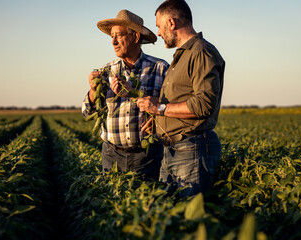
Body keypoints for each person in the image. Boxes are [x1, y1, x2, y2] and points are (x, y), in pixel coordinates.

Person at [137, 0, 225, 197]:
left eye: (159, 27)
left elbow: (203, 105)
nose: (158, 33)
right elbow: (180, 102)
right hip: (173, 149)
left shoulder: (201, 52)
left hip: (192, 149)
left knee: (189, 217)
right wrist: (159, 120)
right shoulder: (181, 56)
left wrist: (159, 109)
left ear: (171, 23)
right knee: (169, 215)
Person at [82, 9, 169, 181]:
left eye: (118, 35)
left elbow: (171, 107)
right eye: (111, 36)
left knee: (147, 204)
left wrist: (158, 119)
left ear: (136, 37)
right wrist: (93, 91)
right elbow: (87, 112)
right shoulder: (106, 71)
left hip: (148, 156)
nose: (113, 41)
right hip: (112, 155)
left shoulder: (160, 68)